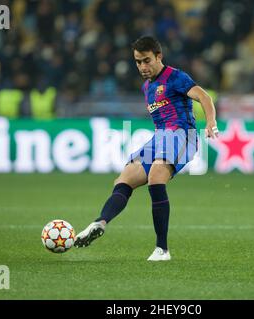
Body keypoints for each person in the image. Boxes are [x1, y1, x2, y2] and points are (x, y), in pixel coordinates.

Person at [74, 36, 219, 261]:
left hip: (182, 135)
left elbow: (203, 96)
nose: (142, 66)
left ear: (158, 56)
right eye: (138, 62)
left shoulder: (176, 77)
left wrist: (210, 121)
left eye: (146, 61)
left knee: (156, 176)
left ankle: (162, 249)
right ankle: (99, 222)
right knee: (125, 178)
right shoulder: (147, 86)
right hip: (159, 137)